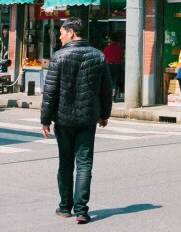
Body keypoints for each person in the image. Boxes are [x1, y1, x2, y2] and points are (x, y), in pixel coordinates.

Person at [40, 19, 113, 225]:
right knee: (84, 164)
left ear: (71, 32)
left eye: (62, 33)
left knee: (65, 163)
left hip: (63, 119)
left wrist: (45, 119)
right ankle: (81, 210)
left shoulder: (59, 56)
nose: (60, 37)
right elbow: (106, 89)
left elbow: (50, 92)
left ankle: (65, 207)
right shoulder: (98, 55)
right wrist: (104, 114)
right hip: (87, 118)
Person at [102, 35, 124, 101]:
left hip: (109, 65)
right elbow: (122, 57)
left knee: (109, 80)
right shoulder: (120, 48)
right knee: (115, 81)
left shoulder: (108, 48)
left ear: (111, 41)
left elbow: (103, 56)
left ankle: (108, 96)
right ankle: (113, 96)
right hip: (117, 66)